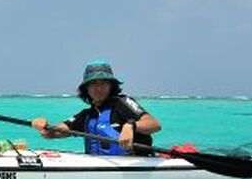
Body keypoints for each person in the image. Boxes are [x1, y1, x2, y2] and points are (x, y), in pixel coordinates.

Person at [30, 60, 160, 155]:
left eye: (103, 83)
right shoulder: (86, 115)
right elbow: (54, 133)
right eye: (93, 83)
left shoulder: (122, 103)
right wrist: (44, 126)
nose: (99, 88)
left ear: (111, 86)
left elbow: (154, 124)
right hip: (101, 170)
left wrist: (131, 126)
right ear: (86, 88)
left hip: (135, 165)